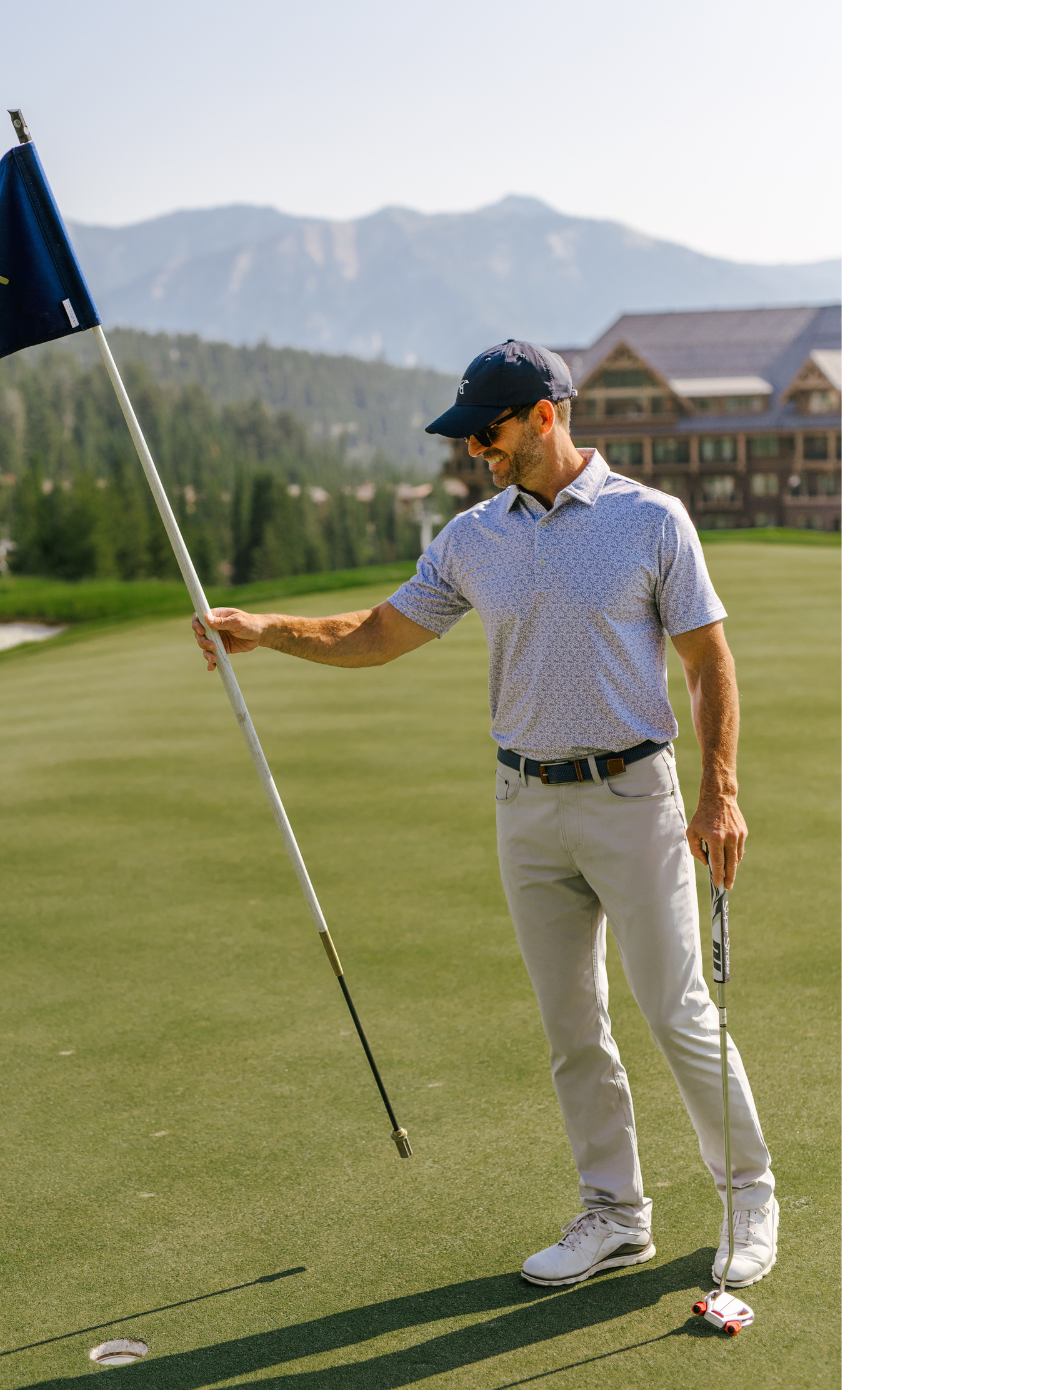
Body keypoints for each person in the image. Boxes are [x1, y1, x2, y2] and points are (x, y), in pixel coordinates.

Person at [189, 339, 775, 1291]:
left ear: (544, 416)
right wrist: (268, 629)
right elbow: (378, 633)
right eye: (468, 438)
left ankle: (748, 1192)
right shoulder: (473, 538)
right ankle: (615, 1215)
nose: (475, 452)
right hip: (524, 805)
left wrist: (722, 792)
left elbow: (709, 662)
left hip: (634, 796)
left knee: (676, 1012)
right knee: (572, 1027)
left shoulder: (651, 522)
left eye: (487, 432)